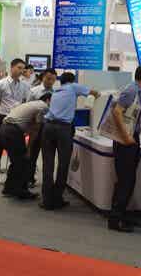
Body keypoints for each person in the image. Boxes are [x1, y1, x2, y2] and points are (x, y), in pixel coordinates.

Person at [41, 73, 100, 210]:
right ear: (72, 81)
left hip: (48, 127)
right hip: (63, 129)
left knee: (48, 164)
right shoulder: (73, 87)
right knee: (63, 164)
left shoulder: (56, 91)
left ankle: (47, 200)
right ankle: (57, 199)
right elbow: (95, 93)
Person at [108, 66, 141, 233]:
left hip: (130, 139)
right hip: (125, 141)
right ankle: (115, 219)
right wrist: (126, 136)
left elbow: (133, 113)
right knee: (125, 180)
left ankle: (120, 214)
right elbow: (117, 112)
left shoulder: (137, 91)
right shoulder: (131, 90)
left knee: (128, 180)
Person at [0, 94, 51, 200]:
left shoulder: (32, 104)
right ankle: (22, 191)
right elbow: (35, 130)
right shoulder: (44, 107)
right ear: (47, 100)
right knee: (23, 161)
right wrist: (29, 149)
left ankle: (9, 188)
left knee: (16, 162)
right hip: (13, 131)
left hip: (4, 129)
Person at [0, 58, 30, 187]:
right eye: (19, 68)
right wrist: (0, 114)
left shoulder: (25, 85)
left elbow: (25, 102)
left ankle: (15, 178)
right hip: (4, 117)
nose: (21, 71)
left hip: (18, 119)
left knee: (18, 148)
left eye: (23, 68)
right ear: (12, 67)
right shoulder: (1, 84)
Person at [27, 68, 58, 188]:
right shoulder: (33, 91)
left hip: (50, 126)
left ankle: (48, 182)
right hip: (36, 126)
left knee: (48, 156)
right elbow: (28, 108)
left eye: (53, 80)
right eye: (48, 79)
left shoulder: (56, 93)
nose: (50, 82)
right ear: (43, 77)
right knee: (32, 153)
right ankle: (29, 178)